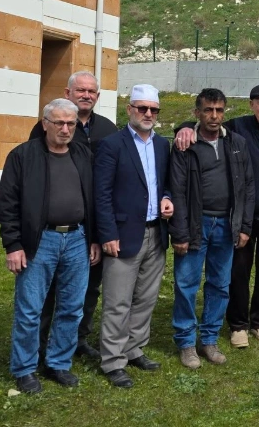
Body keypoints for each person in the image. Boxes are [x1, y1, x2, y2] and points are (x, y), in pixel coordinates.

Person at [174, 84, 259, 348]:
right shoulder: (239, 128)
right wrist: (183, 126)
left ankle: (258, 323)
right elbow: (204, 123)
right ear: (251, 105)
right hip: (222, 218)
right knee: (231, 273)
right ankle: (235, 325)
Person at [0, 98, 100, 394]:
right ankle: (25, 369)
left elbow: (91, 199)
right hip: (38, 241)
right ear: (45, 124)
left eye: (71, 123)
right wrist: (13, 244)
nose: (66, 129)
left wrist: (92, 237)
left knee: (72, 307)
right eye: (59, 123)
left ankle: (58, 362)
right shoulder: (22, 156)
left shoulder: (82, 154)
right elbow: (7, 205)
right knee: (30, 309)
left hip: (77, 239)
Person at [29, 71, 118, 360]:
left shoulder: (107, 128)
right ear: (68, 93)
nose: (86, 95)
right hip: (52, 224)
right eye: (80, 90)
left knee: (88, 287)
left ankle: (78, 339)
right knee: (48, 290)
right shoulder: (48, 126)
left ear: (97, 97)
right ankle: (41, 344)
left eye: (92, 91)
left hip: (92, 219)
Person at [169, 88, 254, 369]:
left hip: (226, 226)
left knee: (220, 284)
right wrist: (179, 232)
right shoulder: (185, 146)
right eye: (208, 110)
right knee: (186, 284)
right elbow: (178, 191)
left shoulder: (237, 144)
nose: (214, 116)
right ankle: (185, 342)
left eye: (219, 110)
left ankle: (209, 340)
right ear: (197, 113)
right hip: (196, 224)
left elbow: (248, 188)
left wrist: (243, 226)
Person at [94, 84, 172, 388]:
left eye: (153, 110)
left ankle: (133, 348)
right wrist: (107, 233)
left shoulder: (162, 145)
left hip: (156, 231)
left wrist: (167, 198)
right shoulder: (112, 145)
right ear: (129, 110)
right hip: (123, 233)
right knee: (117, 300)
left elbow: (165, 183)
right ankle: (112, 360)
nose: (148, 114)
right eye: (142, 108)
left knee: (146, 297)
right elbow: (101, 194)